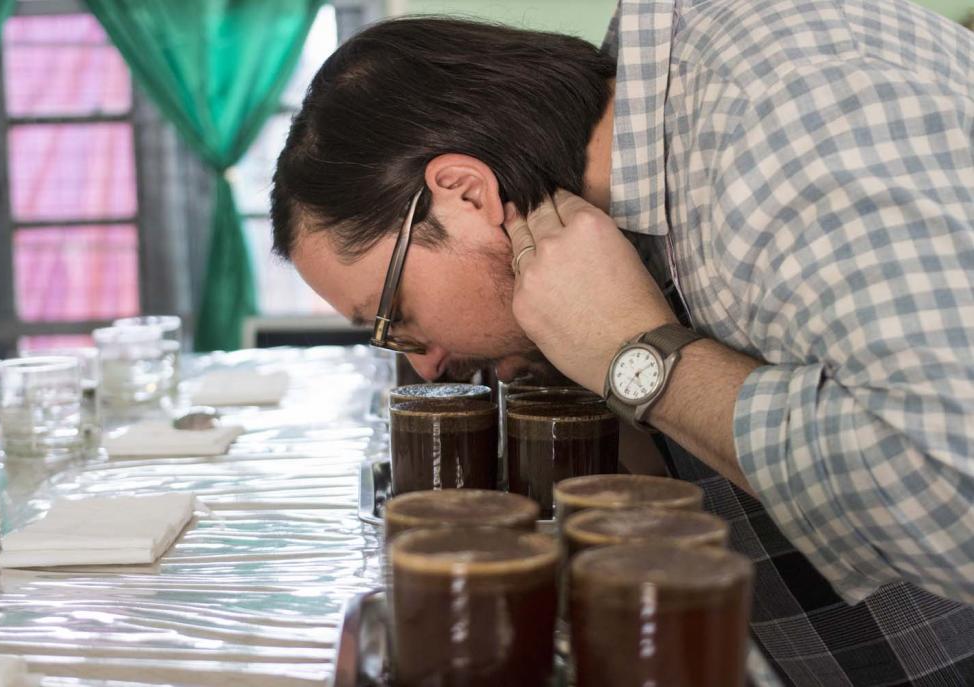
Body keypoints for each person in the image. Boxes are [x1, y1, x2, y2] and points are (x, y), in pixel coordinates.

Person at [270, 0, 974, 683]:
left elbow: (952, 497)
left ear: (465, 193)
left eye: (396, 314)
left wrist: (642, 359)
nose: (423, 363)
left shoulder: (788, 113)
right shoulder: (633, 158)